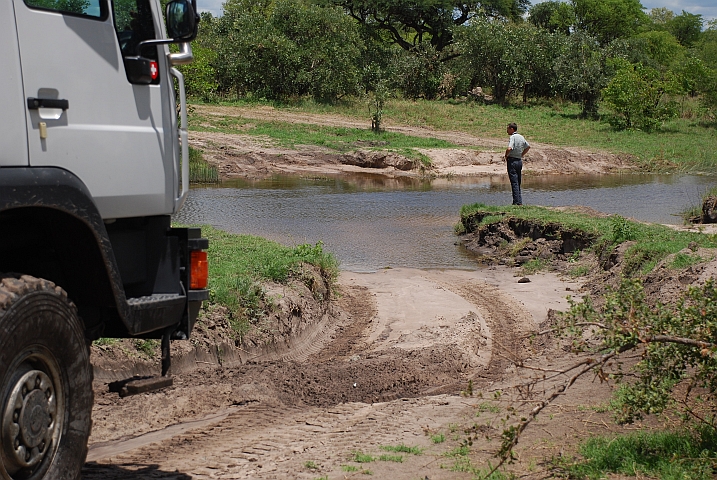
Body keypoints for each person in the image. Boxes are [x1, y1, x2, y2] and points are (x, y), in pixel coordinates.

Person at [504, 122, 530, 206]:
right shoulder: (521, 137)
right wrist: (522, 154)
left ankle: (516, 202)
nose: (507, 130)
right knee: (518, 181)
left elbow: (509, 148)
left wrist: (506, 155)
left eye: (508, 129)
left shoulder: (513, 137)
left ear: (512, 129)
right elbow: (528, 147)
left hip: (512, 161)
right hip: (519, 161)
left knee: (514, 182)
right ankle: (519, 201)